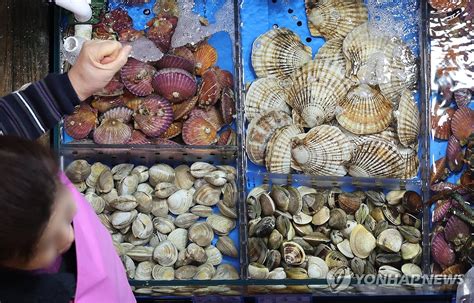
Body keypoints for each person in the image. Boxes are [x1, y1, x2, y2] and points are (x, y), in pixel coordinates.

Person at [0, 40, 136, 303]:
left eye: (67, 210)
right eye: (50, 243)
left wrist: (76, 83)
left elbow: (6, 124)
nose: (70, 237)